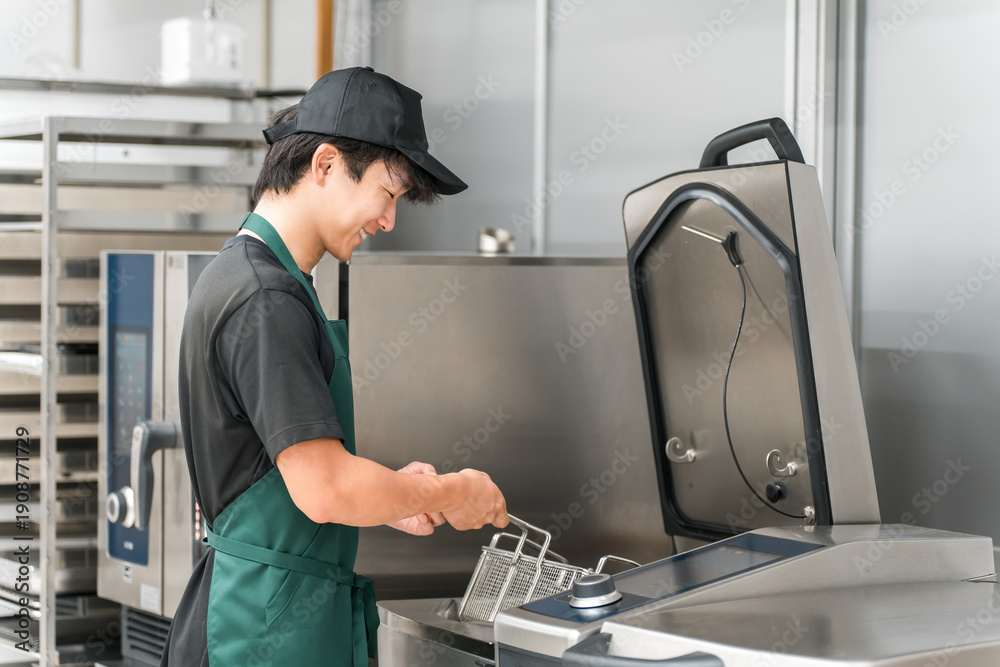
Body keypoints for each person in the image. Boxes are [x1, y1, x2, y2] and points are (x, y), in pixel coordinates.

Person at [160, 67, 509, 667]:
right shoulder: (266, 299)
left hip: (272, 611)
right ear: (325, 164)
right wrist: (452, 491)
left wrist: (398, 495)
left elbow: (285, 476)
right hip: (260, 632)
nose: (388, 220)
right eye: (388, 193)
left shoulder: (249, 276)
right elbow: (325, 490)